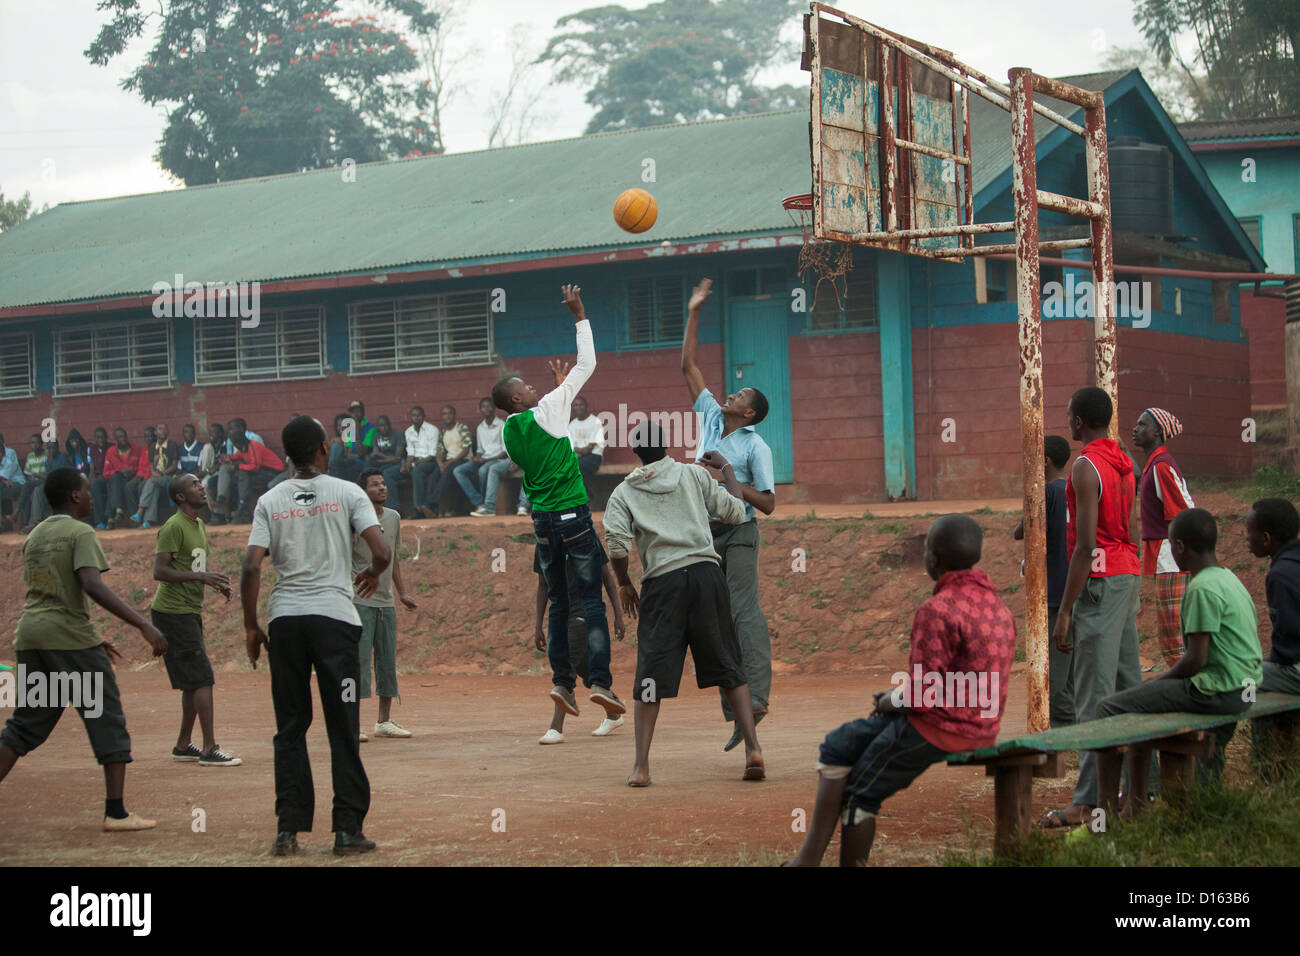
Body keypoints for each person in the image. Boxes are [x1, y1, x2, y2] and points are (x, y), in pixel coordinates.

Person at [787, 514, 1016, 866]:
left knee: (860, 795)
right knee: (839, 745)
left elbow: (923, 695)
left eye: (926, 549)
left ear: (933, 559)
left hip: (940, 728)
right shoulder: (998, 607)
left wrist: (890, 700)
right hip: (982, 726)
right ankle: (807, 860)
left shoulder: (936, 609)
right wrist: (896, 701)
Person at [241, 416, 390, 857]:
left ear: (287, 455)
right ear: (324, 449)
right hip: (335, 624)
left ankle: (288, 830)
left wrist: (251, 625)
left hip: (286, 623)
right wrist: (371, 573)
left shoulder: (269, 500)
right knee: (342, 726)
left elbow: (251, 566)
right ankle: (346, 831)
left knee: (290, 727)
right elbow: (381, 550)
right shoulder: (348, 492)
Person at [0, 467, 168, 830]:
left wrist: (92, 640)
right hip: (69, 637)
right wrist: (142, 623)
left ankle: (116, 811)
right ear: (75, 496)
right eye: (88, 490)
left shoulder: (35, 535)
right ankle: (116, 812)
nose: (92, 496)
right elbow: (90, 584)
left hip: (31, 637)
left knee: (27, 724)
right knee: (106, 717)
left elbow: (52, 591)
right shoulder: (80, 532)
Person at [603, 422, 763, 786]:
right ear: (666, 445)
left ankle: (641, 766)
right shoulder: (694, 476)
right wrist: (726, 471)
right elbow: (736, 512)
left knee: (650, 675)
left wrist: (625, 583)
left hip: (663, 585)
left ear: (635, 452)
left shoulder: (624, 492)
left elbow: (615, 545)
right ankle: (753, 749)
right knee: (728, 664)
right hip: (707, 577)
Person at [494, 284, 625, 723]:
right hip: (573, 515)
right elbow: (588, 364)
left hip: (543, 523)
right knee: (591, 603)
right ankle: (602, 683)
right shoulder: (549, 407)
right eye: (525, 386)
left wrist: (554, 395)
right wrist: (580, 314)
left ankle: (562, 684)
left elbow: (549, 439)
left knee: (558, 602)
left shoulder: (510, 433)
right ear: (517, 399)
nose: (533, 387)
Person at [1097, 508, 1261, 794]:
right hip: (1245, 687)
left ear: (1180, 547)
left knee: (1108, 707)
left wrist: (1159, 681)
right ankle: (1157, 798)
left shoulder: (1201, 588)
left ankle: (1109, 809)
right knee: (1142, 703)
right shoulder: (1228, 579)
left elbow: (1196, 660)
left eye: (1171, 544)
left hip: (1216, 691)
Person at [681, 277, 777, 751]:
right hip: (703, 534)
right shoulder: (710, 418)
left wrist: (731, 484)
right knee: (714, 623)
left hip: (738, 533)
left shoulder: (757, 447)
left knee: (743, 613)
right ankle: (738, 713)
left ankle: (756, 699)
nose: (732, 395)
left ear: (751, 414)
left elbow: (770, 503)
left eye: (741, 396)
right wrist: (695, 310)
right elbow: (689, 365)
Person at [1041, 387, 1142, 829]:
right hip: (1127, 575)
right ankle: (1142, 791)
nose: (1067, 422)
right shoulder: (1126, 462)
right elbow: (1133, 528)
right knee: (1129, 686)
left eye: (1068, 415)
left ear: (1079, 422)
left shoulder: (1085, 466)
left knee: (1093, 695)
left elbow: (1084, 547)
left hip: (1098, 581)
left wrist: (1065, 609)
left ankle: (1086, 801)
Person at [151, 474, 240, 767]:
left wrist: (213, 582)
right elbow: (160, 571)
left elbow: (191, 566)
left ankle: (182, 744)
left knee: (192, 682)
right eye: (194, 485)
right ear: (179, 497)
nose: (201, 487)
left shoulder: (198, 524)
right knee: (202, 678)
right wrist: (202, 577)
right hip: (173, 613)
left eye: (201, 484)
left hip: (188, 611)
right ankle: (209, 748)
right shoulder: (173, 527)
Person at [534, 546, 627, 744]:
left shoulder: (584, 535)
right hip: (560, 616)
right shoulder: (543, 543)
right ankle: (613, 714)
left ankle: (556, 727)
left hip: (585, 614)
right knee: (586, 668)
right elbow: (542, 585)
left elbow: (607, 578)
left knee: (569, 663)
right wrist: (538, 625)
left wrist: (618, 615)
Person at [1012, 434, 1074, 727]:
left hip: (1052, 593)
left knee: (1054, 672)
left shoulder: (1045, 493)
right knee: (1071, 663)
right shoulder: (1075, 488)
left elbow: (1020, 531)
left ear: (1045, 461)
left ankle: (1065, 733)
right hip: (1076, 589)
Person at [352, 468, 417, 741]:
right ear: (363, 491)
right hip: (358, 600)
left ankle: (384, 720)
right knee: (357, 662)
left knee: (387, 661)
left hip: (386, 602)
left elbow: (393, 558)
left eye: (383, 483)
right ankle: (350, 722)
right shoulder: (353, 519)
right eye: (374, 484)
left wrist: (401, 592)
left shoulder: (393, 517)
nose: (382, 488)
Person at [1132, 408, 1194, 669]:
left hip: (1171, 559)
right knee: (1173, 632)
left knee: (1173, 636)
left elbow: (1182, 511)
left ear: (1158, 432)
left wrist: (1182, 554)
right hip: (1168, 556)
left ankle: (1188, 689)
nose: (1135, 428)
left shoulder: (1161, 466)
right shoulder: (1154, 465)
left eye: (1142, 424)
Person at [1244, 497, 1300, 772]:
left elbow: (1289, 641)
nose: (1245, 538)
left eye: (1248, 532)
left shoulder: (1279, 574)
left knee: (1247, 680)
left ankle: (1265, 770)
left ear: (1266, 539)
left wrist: (1270, 662)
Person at [461, 398, 512, 517]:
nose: (487, 409)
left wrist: (485, 460)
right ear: (480, 410)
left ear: (494, 409)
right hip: (484, 459)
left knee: (483, 470)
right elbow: (480, 450)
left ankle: (487, 506)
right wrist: (477, 457)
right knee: (459, 471)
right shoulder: (480, 427)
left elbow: (504, 452)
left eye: (489, 406)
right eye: (484, 407)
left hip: (497, 459)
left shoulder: (501, 425)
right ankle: (479, 502)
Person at [227, 427, 285, 523]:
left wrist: (239, 466)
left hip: (273, 472)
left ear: (238, 443)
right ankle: (244, 509)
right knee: (241, 479)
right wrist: (227, 458)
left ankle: (242, 505)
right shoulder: (243, 449)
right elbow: (235, 456)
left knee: (243, 474)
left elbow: (255, 466)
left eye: (234, 444)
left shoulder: (253, 446)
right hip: (262, 472)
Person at [132, 422, 180, 529]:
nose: (163, 431)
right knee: (154, 489)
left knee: (151, 482)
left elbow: (174, 465)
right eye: (160, 429)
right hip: (157, 477)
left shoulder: (172, 444)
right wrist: (154, 473)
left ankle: (140, 511)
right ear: (155, 432)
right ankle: (148, 521)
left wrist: (162, 473)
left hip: (168, 477)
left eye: (165, 429)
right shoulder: (153, 446)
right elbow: (151, 465)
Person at [430, 406, 473, 517]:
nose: (447, 416)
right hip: (449, 462)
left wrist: (448, 463)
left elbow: (466, 450)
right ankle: (430, 508)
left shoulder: (461, 428)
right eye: (444, 414)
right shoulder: (443, 432)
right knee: (434, 474)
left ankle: (432, 503)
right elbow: (440, 451)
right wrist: (440, 464)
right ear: (441, 417)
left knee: (449, 472)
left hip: (463, 460)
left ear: (454, 415)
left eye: (450, 413)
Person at [102, 427, 146, 530]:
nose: (124, 439)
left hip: (133, 478)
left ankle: (112, 517)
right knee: (116, 479)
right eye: (120, 437)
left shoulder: (137, 449)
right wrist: (119, 472)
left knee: (121, 486)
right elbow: (106, 472)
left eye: (124, 436)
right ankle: (119, 512)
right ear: (116, 440)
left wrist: (132, 472)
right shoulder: (111, 452)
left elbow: (142, 467)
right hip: (117, 480)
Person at [403, 406, 440, 519]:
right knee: (389, 474)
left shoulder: (432, 430)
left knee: (416, 471)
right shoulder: (408, 431)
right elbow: (410, 451)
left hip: (430, 461)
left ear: (424, 416)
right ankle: (394, 510)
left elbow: (432, 454)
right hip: (415, 461)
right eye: (414, 415)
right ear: (411, 417)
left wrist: (415, 464)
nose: (416, 418)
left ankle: (418, 509)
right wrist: (407, 464)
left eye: (419, 415)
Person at [568, 395, 606, 501]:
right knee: (569, 468)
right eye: (576, 405)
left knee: (576, 467)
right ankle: (587, 495)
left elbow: (589, 448)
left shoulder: (595, 421)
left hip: (594, 457)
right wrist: (579, 451)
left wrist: (579, 451)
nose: (578, 407)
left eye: (581, 405)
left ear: (586, 406)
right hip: (578, 457)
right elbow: (571, 446)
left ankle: (586, 495)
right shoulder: (572, 425)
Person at [368, 416, 406, 511]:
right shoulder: (376, 436)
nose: (383, 428)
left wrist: (381, 456)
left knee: (386, 474)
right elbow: (375, 454)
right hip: (383, 464)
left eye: (385, 425)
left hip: (399, 465)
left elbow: (397, 459)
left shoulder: (397, 435)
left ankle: (393, 508)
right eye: (381, 426)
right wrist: (379, 457)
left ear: (389, 425)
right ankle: (371, 509)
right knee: (368, 473)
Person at [16, 433, 49, 532]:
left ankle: (17, 511)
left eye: (37, 443)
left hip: (44, 481)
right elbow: (27, 474)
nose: (34, 445)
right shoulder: (30, 456)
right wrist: (33, 477)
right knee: (28, 491)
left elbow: (46, 474)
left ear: (42, 444)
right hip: (33, 482)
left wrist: (37, 475)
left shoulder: (47, 454)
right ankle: (27, 523)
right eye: (32, 443)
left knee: (27, 487)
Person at [0, 433, 27, 531]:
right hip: (4, 485)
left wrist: (3, 479)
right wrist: (3, 480)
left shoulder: (10, 453)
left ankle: (2, 522)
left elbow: (6, 473)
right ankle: (3, 521)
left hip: (17, 484)